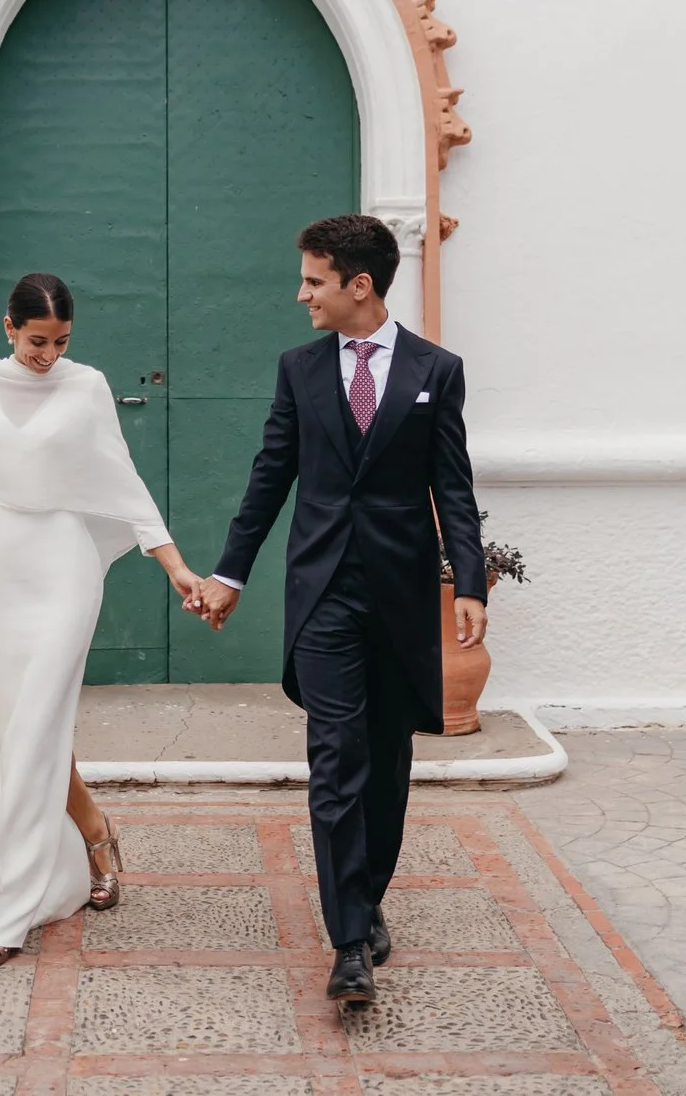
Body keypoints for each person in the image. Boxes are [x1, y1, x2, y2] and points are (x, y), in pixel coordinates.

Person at [193, 214, 487, 1008]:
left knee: (387, 759)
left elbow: (451, 483)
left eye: (315, 280)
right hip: (322, 592)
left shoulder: (437, 369)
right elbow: (270, 477)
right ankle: (349, 940)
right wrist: (231, 572)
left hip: (398, 592)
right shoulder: (301, 369)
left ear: (360, 285)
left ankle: (367, 889)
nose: (302, 294)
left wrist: (470, 582)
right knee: (336, 759)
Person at [0, 271, 213, 967]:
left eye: (60, 340)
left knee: (34, 727)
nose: (48, 353)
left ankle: (4, 910)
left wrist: (176, 565)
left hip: (63, 573)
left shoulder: (86, 386)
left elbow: (123, 482)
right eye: (37, 340)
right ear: (8, 327)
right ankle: (92, 832)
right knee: (16, 734)